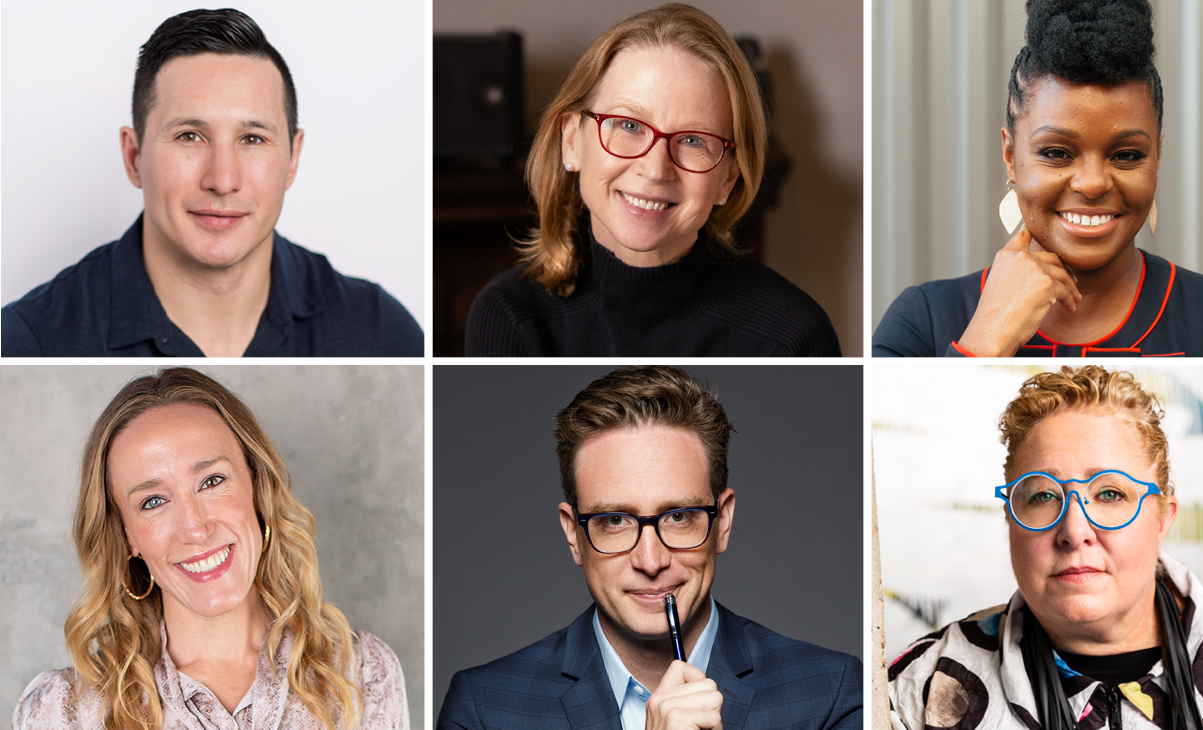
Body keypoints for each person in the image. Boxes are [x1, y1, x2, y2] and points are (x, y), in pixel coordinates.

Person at [437, 366, 862, 728]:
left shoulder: (830, 693)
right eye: (615, 521)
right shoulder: (483, 709)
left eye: (678, 516)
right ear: (574, 534)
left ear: (723, 521)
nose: (650, 561)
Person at [872, 0, 1203, 357]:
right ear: (1010, 157)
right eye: (1056, 153)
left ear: (1157, 157)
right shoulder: (922, 322)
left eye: (1127, 155)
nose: (1092, 184)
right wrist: (983, 341)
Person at [887, 365, 1203, 729]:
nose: (1074, 530)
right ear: (1010, 516)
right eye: (1043, 496)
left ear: (1163, 518)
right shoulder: (917, 690)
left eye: (1110, 495)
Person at [1, 9, 423, 357]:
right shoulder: (28, 343)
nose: (223, 180)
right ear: (134, 156)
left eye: (252, 139)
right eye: (189, 136)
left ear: (292, 159)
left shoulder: (381, 332)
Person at [11, 368, 409, 729]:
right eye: (153, 501)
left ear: (258, 489)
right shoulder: (63, 711)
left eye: (212, 481)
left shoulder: (361, 673)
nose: (196, 528)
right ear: (126, 536)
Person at [464, 4, 840, 357]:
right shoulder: (507, 317)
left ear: (728, 177)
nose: (655, 169)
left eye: (694, 140)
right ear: (572, 141)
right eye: (629, 125)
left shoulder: (794, 338)